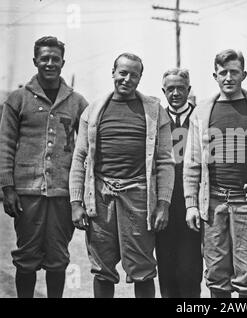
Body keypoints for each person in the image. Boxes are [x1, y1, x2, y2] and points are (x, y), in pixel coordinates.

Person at [69, 53, 175, 298]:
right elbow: (79, 157)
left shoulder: (155, 111)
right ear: (113, 72)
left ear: (140, 78)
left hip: (138, 197)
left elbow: (165, 162)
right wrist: (76, 203)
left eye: (133, 74)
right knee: (102, 268)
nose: (127, 79)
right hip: (101, 195)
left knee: (143, 268)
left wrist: (163, 204)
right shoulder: (93, 110)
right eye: (122, 73)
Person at [183, 49, 247, 298]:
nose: (228, 77)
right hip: (213, 201)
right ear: (215, 76)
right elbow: (192, 161)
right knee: (216, 274)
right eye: (223, 72)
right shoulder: (202, 111)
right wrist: (191, 205)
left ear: (243, 74)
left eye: (234, 72)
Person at [0, 36, 88, 298]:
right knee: (26, 256)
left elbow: (87, 148)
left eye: (55, 58)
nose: (50, 63)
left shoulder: (77, 101)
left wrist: (80, 194)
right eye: (44, 58)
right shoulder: (18, 99)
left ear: (63, 62)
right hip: (27, 191)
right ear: (35, 61)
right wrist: (7, 187)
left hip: (62, 193)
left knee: (58, 257)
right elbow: (5, 144)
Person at [155, 68, 203, 298]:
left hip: (192, 200)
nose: (175, 93)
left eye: (180, 88)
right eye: (170, 89)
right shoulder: (157, 118)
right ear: (163, 91)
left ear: (189, 90)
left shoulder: (201, 117)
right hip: (164, 201)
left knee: (190, 267)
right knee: (165, 264)